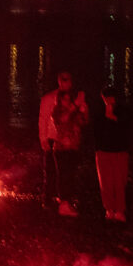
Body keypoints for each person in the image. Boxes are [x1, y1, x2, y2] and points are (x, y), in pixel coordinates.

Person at [38, 71, 80, 207]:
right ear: (58, 81)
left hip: (70, 140)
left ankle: (65, 199)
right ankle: (48, 198)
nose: (65, 82)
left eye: (67, 79)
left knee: (68, 172)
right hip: (53, 137)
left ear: (71, 82)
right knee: (50, 171)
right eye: (62, 79)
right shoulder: (49, 98)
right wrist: (43, 139)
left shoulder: (74, 99)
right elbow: (43, 119)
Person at [93, 86, 131, 222]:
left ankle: (119, 210)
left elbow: (127, 129)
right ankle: (109, 209)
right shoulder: (99, 112)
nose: (108, 101)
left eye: (110, 98)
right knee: (106, 182)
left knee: (119, 182)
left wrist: (113, 118)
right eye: (106, 98)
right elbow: (95, 131)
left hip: (119, 151)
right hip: (104, 151)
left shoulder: (124, 112)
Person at [52, 88, 89, 217]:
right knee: (64, 176)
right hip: (62, 148)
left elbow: (83, 123)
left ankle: (67, 202)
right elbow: (63, 119)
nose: (68, 102)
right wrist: (75, 105)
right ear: (60, 100)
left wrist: (84, 110)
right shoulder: (57, 111)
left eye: (69, 99)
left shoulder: (73, 111)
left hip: (73, 148)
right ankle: (63, 203)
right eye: (65, 99)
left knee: (71, 176)